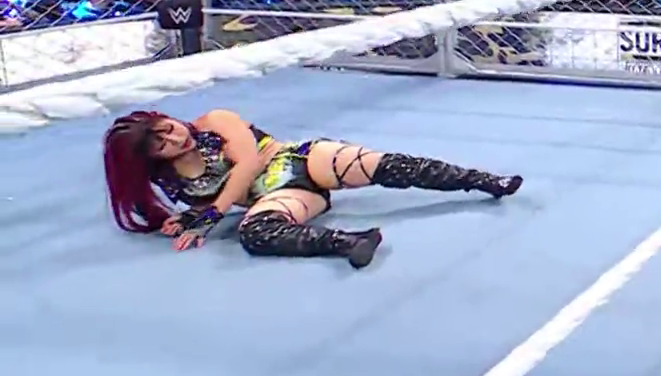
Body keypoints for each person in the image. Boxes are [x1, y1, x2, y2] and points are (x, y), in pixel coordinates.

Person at [103, 108, 522, 267]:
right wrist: (189, 216)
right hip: (276, 196)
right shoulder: (169, 177)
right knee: (255, 232)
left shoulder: (215, 121)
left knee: (382, 164)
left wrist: (211, 215)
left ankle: (484, 180)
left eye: (167, 128)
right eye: (160, 143)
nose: (175, 138)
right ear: (150, 158)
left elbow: (248, 163)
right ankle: (351, 243)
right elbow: (214, 193)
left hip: (297, 160)